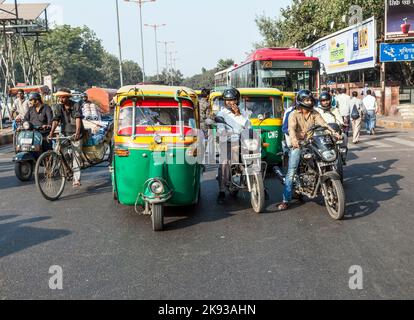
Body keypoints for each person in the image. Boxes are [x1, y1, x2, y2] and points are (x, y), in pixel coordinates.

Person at [277, 90, 340, 211]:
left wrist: (334, 133)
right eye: (307, 100)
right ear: (301, 101)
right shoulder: (293, 114)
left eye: (310, 100)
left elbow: (324, 124)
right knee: (291, 172)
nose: (309, 102)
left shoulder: (315, 113)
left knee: (323, 159)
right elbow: (291, 129)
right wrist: (294, 140)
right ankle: (285, 199)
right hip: (298, 144)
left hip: (311, 142)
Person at [216, 88, 250, 204]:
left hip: (244, 141)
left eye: (233, 100)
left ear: (237, 100)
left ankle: (261, 186)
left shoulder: (243, 111)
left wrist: (239, 115)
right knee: (224, 163)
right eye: (228, 100)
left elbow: (248, 126)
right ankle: (221, 191)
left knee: (258, 157)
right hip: (228, 142)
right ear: (224, 101)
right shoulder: (221, 114)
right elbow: (221, 130)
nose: (231, 103)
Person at [49, 88, 85, 188]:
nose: (61, 99)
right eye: (60, 97)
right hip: (64, 133)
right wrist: (51, 132)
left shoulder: (76, 105)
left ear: (68, 97)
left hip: (76, 133)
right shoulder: (58, 107)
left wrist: (77, 132)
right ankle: (67, 168)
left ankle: (76, 179)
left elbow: (78, 118)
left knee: (76, 155)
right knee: (60, 151)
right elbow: (56, 120)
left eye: (63, 97)